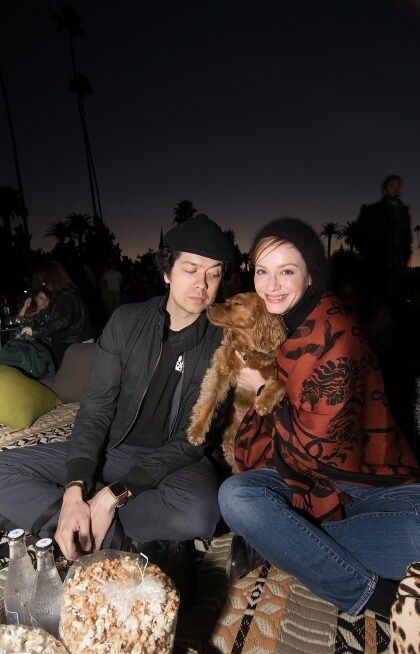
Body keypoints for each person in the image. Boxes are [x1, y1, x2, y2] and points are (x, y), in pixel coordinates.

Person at [0, 214, 235, 583]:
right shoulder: (127, 322)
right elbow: (94, 410)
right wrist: (76, 489)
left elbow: (193, 439)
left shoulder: (222, 341)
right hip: (116, 449)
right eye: (191, 269)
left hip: (176, 461)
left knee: (201, 512)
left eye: (214, 273)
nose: (202, 284)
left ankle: (73, 526)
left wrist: (113, 494)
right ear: (167, 272)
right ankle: (109, 536)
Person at [218, 217, 420, 619]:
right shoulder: (276, 330)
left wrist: (261, 389)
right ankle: (362, 587)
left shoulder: (335, 331)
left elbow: (324, 450)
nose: (271, 285)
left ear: (311, 276)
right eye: (262, 271)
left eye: (286, 271)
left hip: (377, 487)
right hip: (303, 480)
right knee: (235, 497)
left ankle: (282, 544)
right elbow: (273, 443)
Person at [353, 175, 412, 311]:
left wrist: (405, 257)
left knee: (395, 310)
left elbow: (407, 239)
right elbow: (358, 235)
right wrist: (372, 256)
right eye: (392, 186)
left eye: (398, 187)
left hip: (398, 269)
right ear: (385, 190)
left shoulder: (404, 214)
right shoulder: (372, 211)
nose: (396, 189)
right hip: (377, 270)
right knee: (377, 310)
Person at [19, 262, 92, 368]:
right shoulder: (61, 296)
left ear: (52, 279)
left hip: (75, 345)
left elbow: (64, 320)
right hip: (69, 344)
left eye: (45, 281)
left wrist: (36, 331)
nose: (44, 284)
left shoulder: (67, 296)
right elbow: (43, 316)